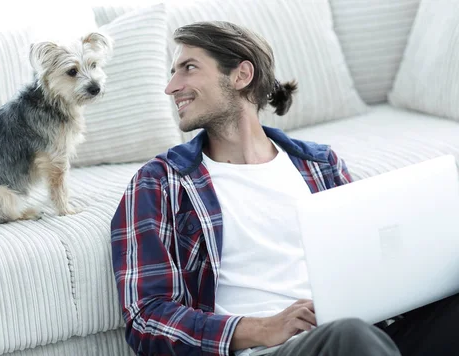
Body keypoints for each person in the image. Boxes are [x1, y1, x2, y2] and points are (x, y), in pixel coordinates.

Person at [110, 21, 459, 356]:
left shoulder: (320, 166)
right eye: (173, 72)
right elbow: (147, 317)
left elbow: (369, 266)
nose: (171, 86)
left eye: (187, 67)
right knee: (348, 338)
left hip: (362, 334)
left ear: (241, 76)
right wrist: (263, 327)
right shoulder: (161, 182)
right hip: (273, 348)